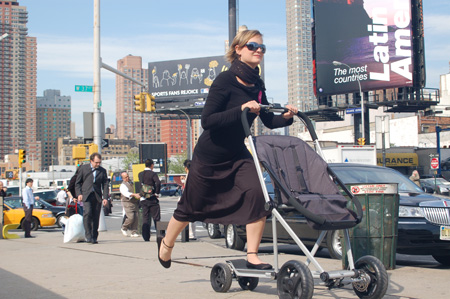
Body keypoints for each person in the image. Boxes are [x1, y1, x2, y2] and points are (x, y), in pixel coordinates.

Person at [158, 29, 298, 269]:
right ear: (238, 49)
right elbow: (207, 120)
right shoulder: (224, 81)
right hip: (210, 156)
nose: (259, 51)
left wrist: (286, 117)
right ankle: (166, 245)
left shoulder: (257, 84)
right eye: (253, 46)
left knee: (257, 194)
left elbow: (267, 120)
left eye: (262, 48)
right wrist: (241, 108)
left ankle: (252, 255)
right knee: (190, 206)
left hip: (237, 153)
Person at [74, 153, 109, 244]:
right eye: (96, 162)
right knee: (88, 213)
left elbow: (105, 185)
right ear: (91, 161)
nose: (98, 164)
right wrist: (79, 194)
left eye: (99, 163)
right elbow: (77, 183)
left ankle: (94, 237)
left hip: (97, 196)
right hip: (86, 195)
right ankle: (88, 235)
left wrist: (105, 197)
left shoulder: (102, 171)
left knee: (96, 217)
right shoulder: (83, 168)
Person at [138, 159, 161, 242]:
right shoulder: (153, 174)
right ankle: (159, 235)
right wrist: (157, 193)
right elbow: (158, 183)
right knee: (156, 218)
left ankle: (146, 237)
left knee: (145, 218)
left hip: (143, 199)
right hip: (152, 198)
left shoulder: (140, 174)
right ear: (152, 165)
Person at [119, 172, 141, 237]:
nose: (127, 178)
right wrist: (134, 195)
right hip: (127, 202)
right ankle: (124, 227)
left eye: (127, 176)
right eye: (125, 177)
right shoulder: (123, 185)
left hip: (134, 202)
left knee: (136, 217)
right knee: (131, 217)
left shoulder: (131, 183)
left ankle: (133, 232)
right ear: (123, 178)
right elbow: (126, 193)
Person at [182, 159, 196, 240]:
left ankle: (191, 234)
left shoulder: (189, 175)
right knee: (192, 218)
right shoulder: (194, 175)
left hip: (189, 199)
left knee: (189, 218)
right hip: (193, 199)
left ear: (186, 168)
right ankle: (192, 234)